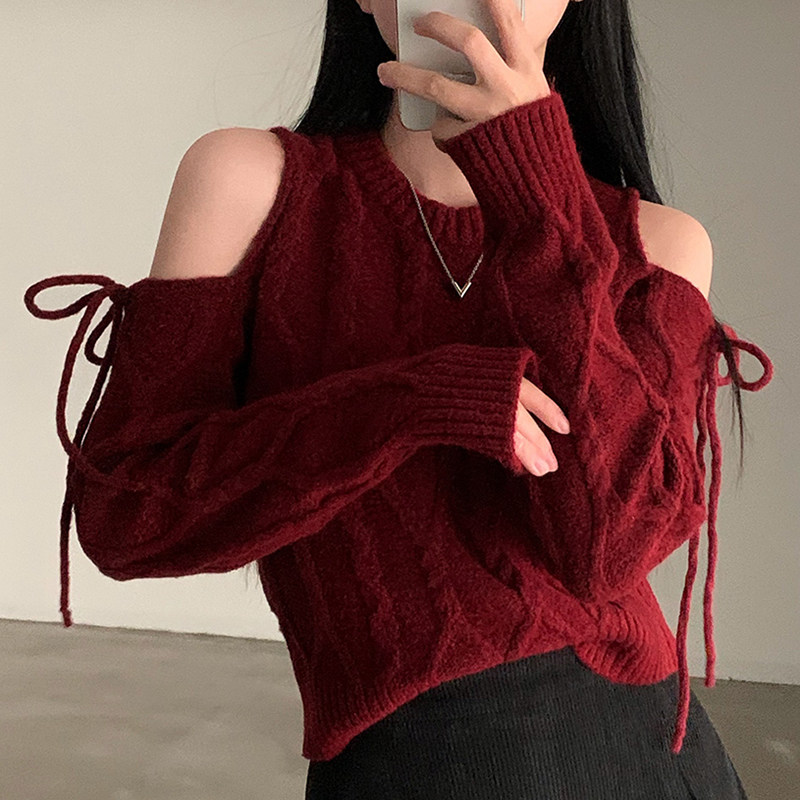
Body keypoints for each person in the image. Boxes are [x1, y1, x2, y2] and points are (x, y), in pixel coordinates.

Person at [24, 0, 774, 797]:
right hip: (388, 753)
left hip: (623, 744)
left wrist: (540, 194)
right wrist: (413, 402)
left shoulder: (657, 243)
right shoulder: (251, 182)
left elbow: (609, 550)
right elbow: (128, 519)